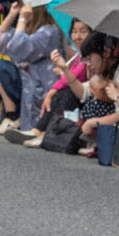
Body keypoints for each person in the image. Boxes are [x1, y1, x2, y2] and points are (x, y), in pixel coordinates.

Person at [0, 0, 62, 137]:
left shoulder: (49, 31)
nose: (23, 9)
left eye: (26, 7)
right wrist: (12, 15)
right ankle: (14, 119)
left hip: (43, 81)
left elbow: (17, 47)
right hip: (28, 82)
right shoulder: (27, 29)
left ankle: (33, 129)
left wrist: (22, 19)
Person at [27, 18, 92, 147]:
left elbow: (73, 77)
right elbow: (66, 79)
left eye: (83, 32)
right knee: (60, 92)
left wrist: (62, 71)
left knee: (66, 93)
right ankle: (38, 130)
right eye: (74, 32)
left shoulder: (89, 55)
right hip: (77, 95)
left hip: (85, 99)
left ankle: (47, 132)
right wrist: (53, 91)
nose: (77, 37)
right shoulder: (79, 55)